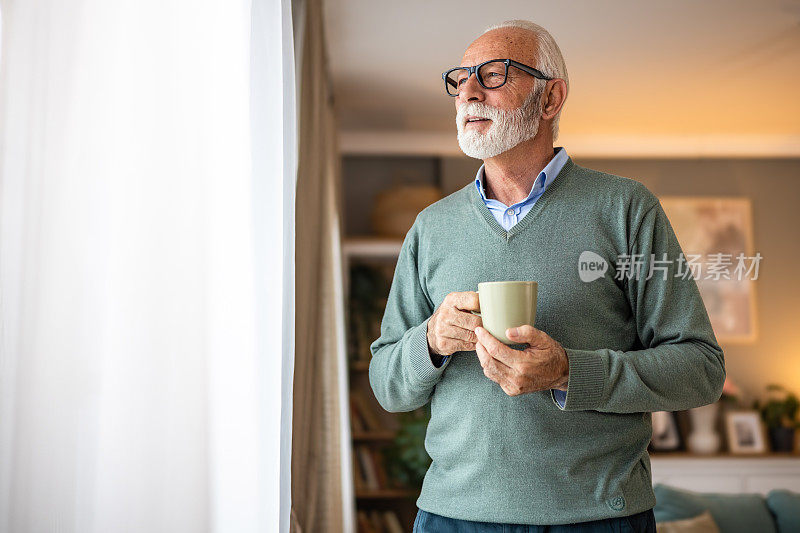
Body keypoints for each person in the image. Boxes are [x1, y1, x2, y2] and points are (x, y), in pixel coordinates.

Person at [368, 19, 725, 533]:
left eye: (493, 75)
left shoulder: (625, 209)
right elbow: (386, 384)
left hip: (599, 519)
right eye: (461, 78)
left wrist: (567, 373)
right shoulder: (431, 227)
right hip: (453, 518)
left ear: (550, 98)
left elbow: (701, 368)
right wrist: (428, 341)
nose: (467, 92)